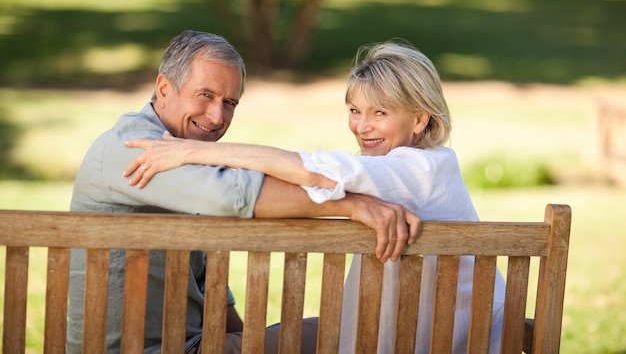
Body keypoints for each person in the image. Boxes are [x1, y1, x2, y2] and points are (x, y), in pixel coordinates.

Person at [124, 40, 507, 354]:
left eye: (380, 112)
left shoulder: (414, 169)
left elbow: (309, 170)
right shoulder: (429, 164)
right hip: (449, 336)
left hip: (437, 342)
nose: (362, 126)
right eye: (355, 110)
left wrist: (192, 151)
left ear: (421, 119)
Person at [67, 30, 420, 354]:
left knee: (343, 331)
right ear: (163, 89)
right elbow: (234, 195)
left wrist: (247, 337)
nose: (217, 116)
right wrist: (353, 205)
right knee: (351, 335)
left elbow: (208, 288)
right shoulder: (136, 146)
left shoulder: (178, 150)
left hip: (188, 341)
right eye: (205, 95)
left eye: (230, 103)